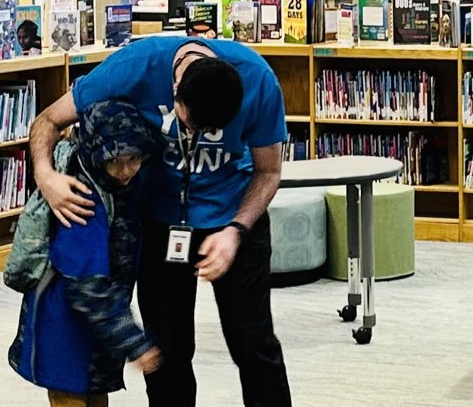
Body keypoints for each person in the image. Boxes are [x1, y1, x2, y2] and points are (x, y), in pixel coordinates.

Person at [28, 36, 291, 407]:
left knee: (254, 345)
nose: (195, 136)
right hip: (160, 221)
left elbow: (268, 172)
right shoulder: (134, 66)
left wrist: (235, 230)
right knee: (167, 354)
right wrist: (45, 175)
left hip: (234, 217)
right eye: (189, 125)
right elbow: (48, 121)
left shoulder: (258, 79)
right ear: (175, 91)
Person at [9, 100, 166, 407]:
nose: (125, 170)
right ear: (96, 154)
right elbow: (88, 286)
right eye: (114, 161)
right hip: (64, 331)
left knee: (96, 396)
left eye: (133, 159)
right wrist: (135, 343)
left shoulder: (125, 187)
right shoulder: (81, 201)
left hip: (97, 330)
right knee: (72, 396)